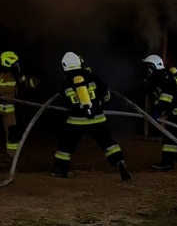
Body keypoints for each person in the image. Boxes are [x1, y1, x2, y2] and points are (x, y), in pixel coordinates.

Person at [52, 52, 130, 181]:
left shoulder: (66, 81)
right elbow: (106, 94)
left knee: (65, 146)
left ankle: (61, 170)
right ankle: (119, 161)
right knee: (107, 143)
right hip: (98, 118)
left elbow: (64, 102)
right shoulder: (92, 76)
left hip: (75, 121)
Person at [0, 50, 38, 160]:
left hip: (9, 108)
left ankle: (12, 155)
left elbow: (27, 83)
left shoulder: (16, 74)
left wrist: (36, 80)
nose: (16, 66)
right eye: (14, 63)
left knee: (13, 132)